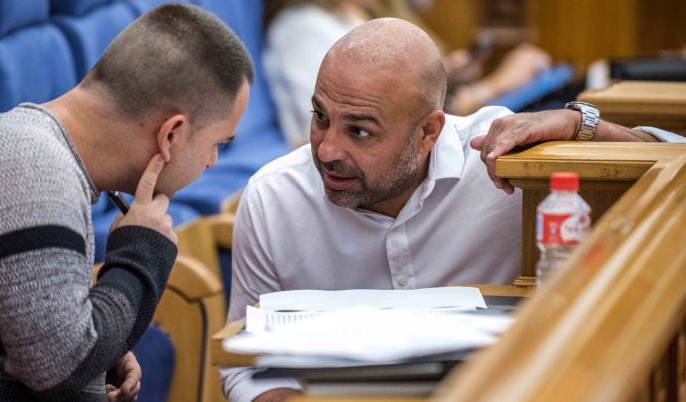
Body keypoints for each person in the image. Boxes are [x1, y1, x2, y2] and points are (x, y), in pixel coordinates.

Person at [222, 17, 684, 402]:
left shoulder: (511, 164)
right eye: (321, 117)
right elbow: (244, 364)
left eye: (360, 131)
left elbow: (675, 176)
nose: (326, 150)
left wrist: (583, 127)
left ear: (429, 132)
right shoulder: (274, 198)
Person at [0, 4, 252, 401]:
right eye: (217, 144)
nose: (213, 161)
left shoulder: (38, 154)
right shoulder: (29, 167)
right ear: (172, 135)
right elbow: (61, 369)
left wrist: (104, 349)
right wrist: (142, 253)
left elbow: (59, 351)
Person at [263, 0, 551, 148]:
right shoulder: (300, 28)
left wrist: (445, 76)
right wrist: (496, 84)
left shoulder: (358, 12)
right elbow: (346, 126)